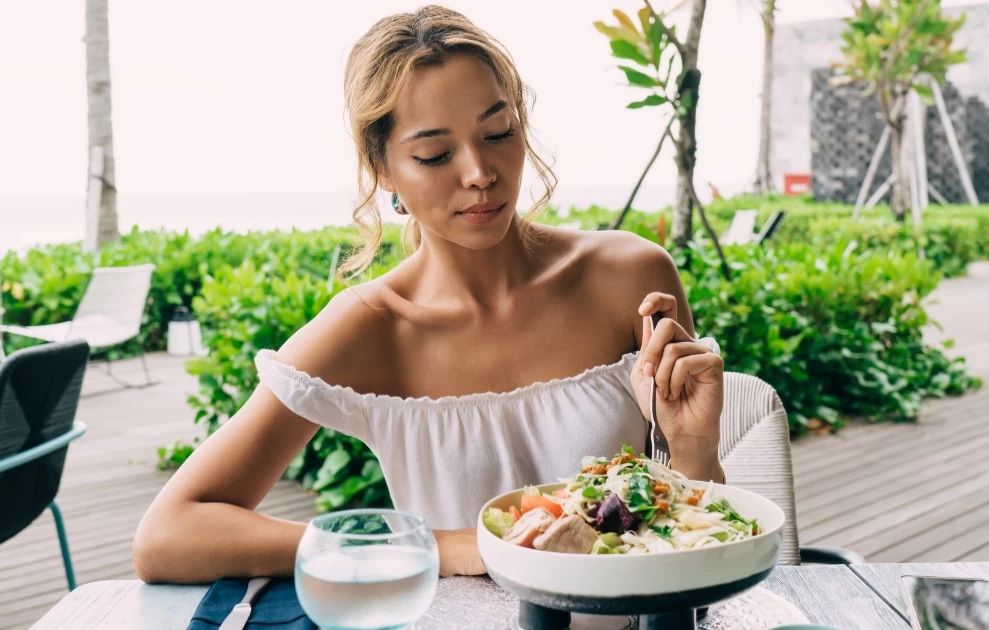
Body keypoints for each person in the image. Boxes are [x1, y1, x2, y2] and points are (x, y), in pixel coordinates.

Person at [133, 5, 723, 583]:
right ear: (383, 169)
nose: (478, 172)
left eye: (498, 133)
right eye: (434, 154)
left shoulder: (628, 275)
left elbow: (704, 537)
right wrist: (435, 547)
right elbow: (168, 537)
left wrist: (693, 449)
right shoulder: (371, 327)